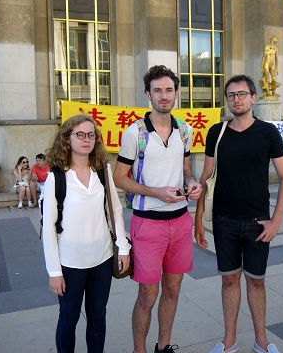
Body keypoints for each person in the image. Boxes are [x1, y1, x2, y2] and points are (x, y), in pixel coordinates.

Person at [195, 75, 283, 353]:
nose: (236, 99)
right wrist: (198, 220)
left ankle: (261, 341)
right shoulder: (217, 131)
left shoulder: (268, 132)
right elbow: (206, 176)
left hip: (257, 222)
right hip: (224, 221)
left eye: (241, 94)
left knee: (256, 281)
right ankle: (229, 341)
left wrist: (277, 220)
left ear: (253, 97)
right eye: (231, 95)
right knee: (229, 279)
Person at [113, 65, 202, 353]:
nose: (164, 96)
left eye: (168, 90)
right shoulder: (134, 133)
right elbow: (119, 178)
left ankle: (163, 347)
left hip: (180, 222)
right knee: (147, 295)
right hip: (147, 224)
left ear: (176, 93)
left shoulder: (185, 130)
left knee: (173, 289)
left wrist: (191, 183)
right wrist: (156, 192)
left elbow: (186, 168)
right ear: (147, 95)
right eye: (157, 91)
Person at [42, 114, 131, 353]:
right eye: (80, 134)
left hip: (102, 259)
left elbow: (115, 210)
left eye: (91, 135)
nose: (86, 139)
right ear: (67, 139)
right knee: (68, 320)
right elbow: (48, 228)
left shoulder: (102, 170)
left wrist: (123, 248)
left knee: (97, 318)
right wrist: (54, 272)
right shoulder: (56, 177)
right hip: (70, 264)